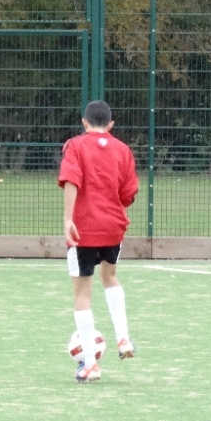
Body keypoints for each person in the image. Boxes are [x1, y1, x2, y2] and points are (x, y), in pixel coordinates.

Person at [58, 99, 139, 383]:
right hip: (113, 227)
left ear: (84, 122)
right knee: (110, 276)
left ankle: (90, 365)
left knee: (82, 294)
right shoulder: (123, 150)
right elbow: (128, 194)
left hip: (83, 229)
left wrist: (68, 219)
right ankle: (123, 339)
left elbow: (71, 180)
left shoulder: (75, 146)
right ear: (111, 125)